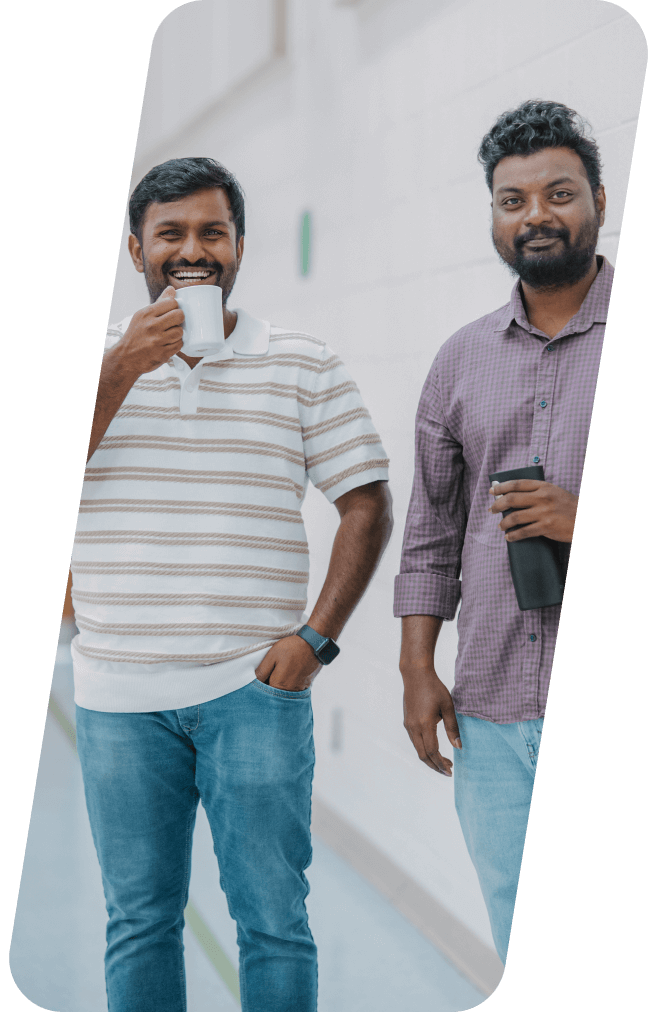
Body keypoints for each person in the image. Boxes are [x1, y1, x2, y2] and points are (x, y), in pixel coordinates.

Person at [73, 157, 393, 1012]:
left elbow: (366, 503)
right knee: (137, 920)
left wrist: (315, 639)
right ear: (134, 248)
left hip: (254, 690)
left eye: (211, 231)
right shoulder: (103, 364)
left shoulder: (302, 362)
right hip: (115, 700)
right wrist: (124, 369)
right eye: (169, 233)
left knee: (273, 923)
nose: (192, 250)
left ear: (240, 246)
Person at [394, 100, 612, 966]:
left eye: (558, 194)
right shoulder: (458, 360)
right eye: (511, 200)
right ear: (492, 214)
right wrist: (416, 667)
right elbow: (428, 535)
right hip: (488, 713)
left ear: (598, 197)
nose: (536, 216)